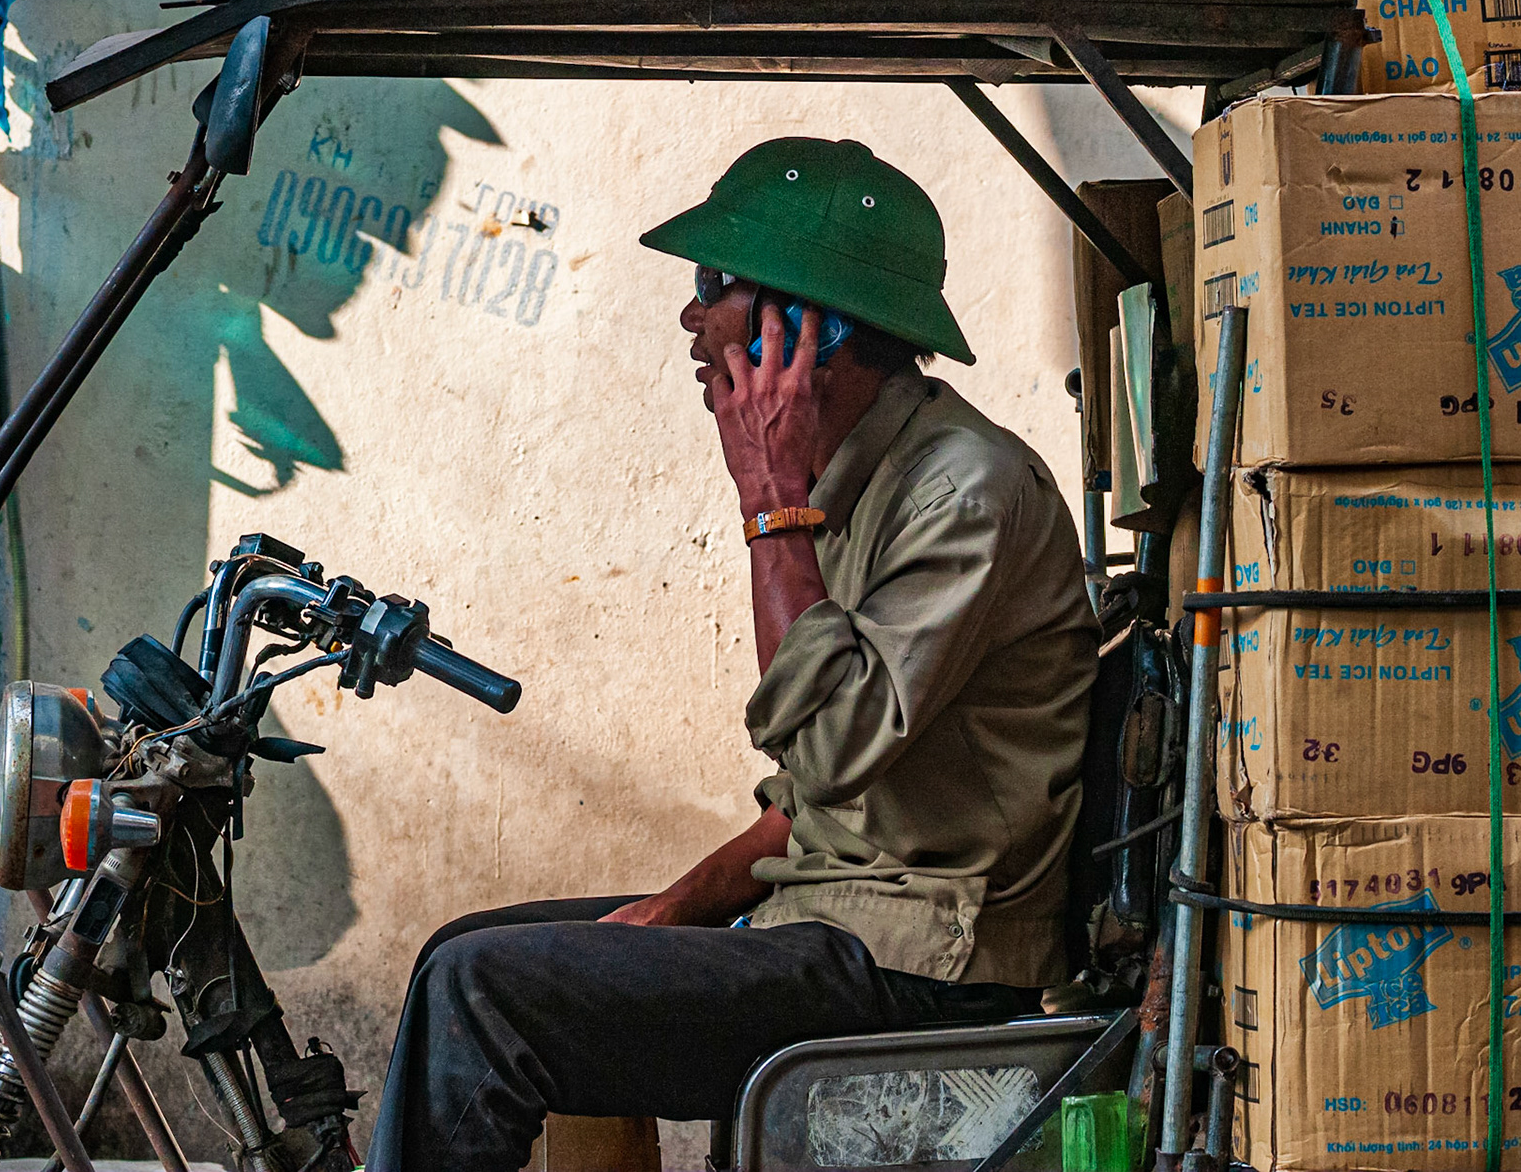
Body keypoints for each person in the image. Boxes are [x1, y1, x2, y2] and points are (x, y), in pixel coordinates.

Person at [365, 137, 1098, 1172]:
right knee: (459, 951)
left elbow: (834, 749)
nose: (691, 316)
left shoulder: (961, 491)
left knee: (480, 995)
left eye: (716, 286)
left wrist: (771, 504)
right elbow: (806, 805)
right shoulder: (857, 475)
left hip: (922, 959)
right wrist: (674, 909)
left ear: (810, 328)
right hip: (826, 913)